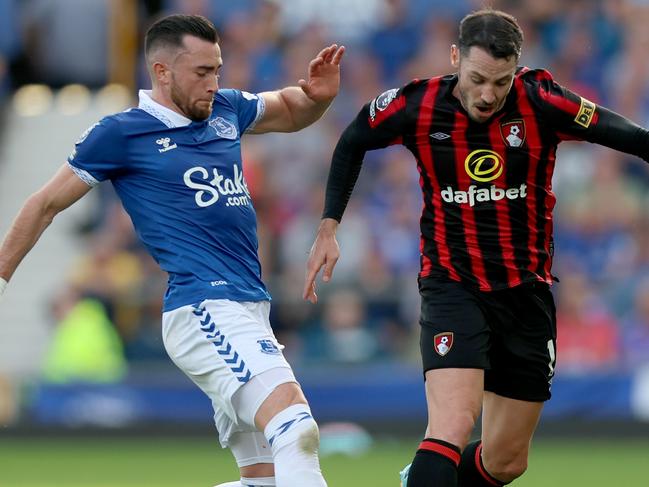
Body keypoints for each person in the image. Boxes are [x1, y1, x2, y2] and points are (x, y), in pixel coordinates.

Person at [303, 8, 649, 487]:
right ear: (454, 58)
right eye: (478, 78)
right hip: (453, 284)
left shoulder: (542, 100)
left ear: (518, 70)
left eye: (501, 82)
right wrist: (328, 225)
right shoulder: (415, 105)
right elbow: (353, 139)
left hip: (525, 294)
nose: (488, 94)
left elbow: (626, 134)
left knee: (506, 461)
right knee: (450, 427)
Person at [0, 14, 344, 487]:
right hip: (204, 306)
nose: (213, 83)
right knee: (296, 427)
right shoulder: (122, 133)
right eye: (202, 72)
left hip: (249, 306)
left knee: (264, 478)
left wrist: (318, 99)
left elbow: (289, 107)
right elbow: (43, 204)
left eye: (218, 69)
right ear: (162, 73)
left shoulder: (225, 109)